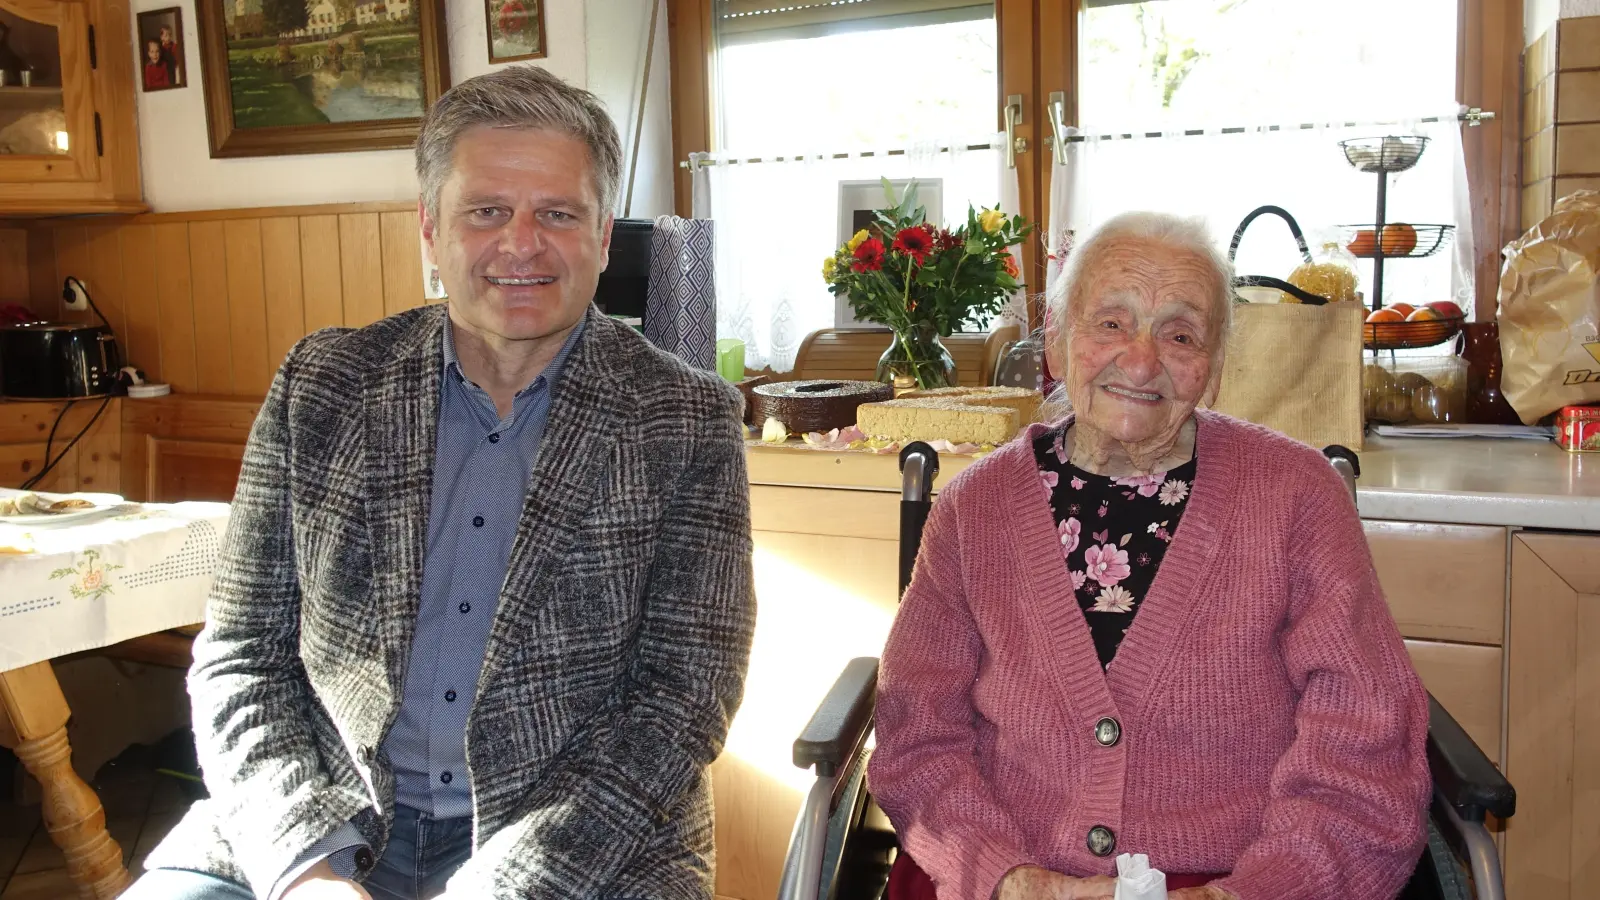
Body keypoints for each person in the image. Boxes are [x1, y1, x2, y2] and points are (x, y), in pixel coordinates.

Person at [126, 65, 756, 900]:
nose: (521, 243)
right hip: (316, 817)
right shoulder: (324, 385)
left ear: (603, 236)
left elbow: (682, 698)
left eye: (558, 214)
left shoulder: (687, 418)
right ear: (431, 230)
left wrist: (505, 886)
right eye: (486, 211)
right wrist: (304, 869)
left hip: (586, 844)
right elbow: (242, 657)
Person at [867, 212, 1430, 900]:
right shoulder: (971, 511)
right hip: (1003, 877)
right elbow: (916, 741)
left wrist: (1247, 893)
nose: (1141, 360)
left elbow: (1363, 748)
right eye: (1111, 323)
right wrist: (1013, 881)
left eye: (1181, 334)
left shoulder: (1298, 498)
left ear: (1216, 369)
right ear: (1056, 337)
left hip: (1236, 877)